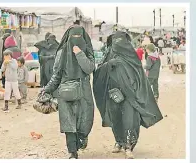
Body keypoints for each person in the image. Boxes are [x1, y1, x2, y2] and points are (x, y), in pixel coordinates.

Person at [93, 31, 163, 159]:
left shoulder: (132, 56)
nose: (118, 44)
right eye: (115, 41)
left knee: (130, 120)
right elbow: (98, 73)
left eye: (121, 41)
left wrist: (135, 91)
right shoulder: (108, 56)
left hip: (130, 96)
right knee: (116, 119)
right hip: (113, 95)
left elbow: (139, 75)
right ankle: (119, 141)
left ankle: (128, 146)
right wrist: (109, 65)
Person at [42, 25, 95, 159]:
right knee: (68, 123)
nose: (76, 39)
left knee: (85, 121)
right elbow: (56, 75)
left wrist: (79, 53)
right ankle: (72, 151)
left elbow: (89, 68)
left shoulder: (87, 51)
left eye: (79, 36)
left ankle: (82, 138)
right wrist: (47, 89)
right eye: (73, 36)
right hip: (66, 92)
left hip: (84, 92)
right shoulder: (61, 53)